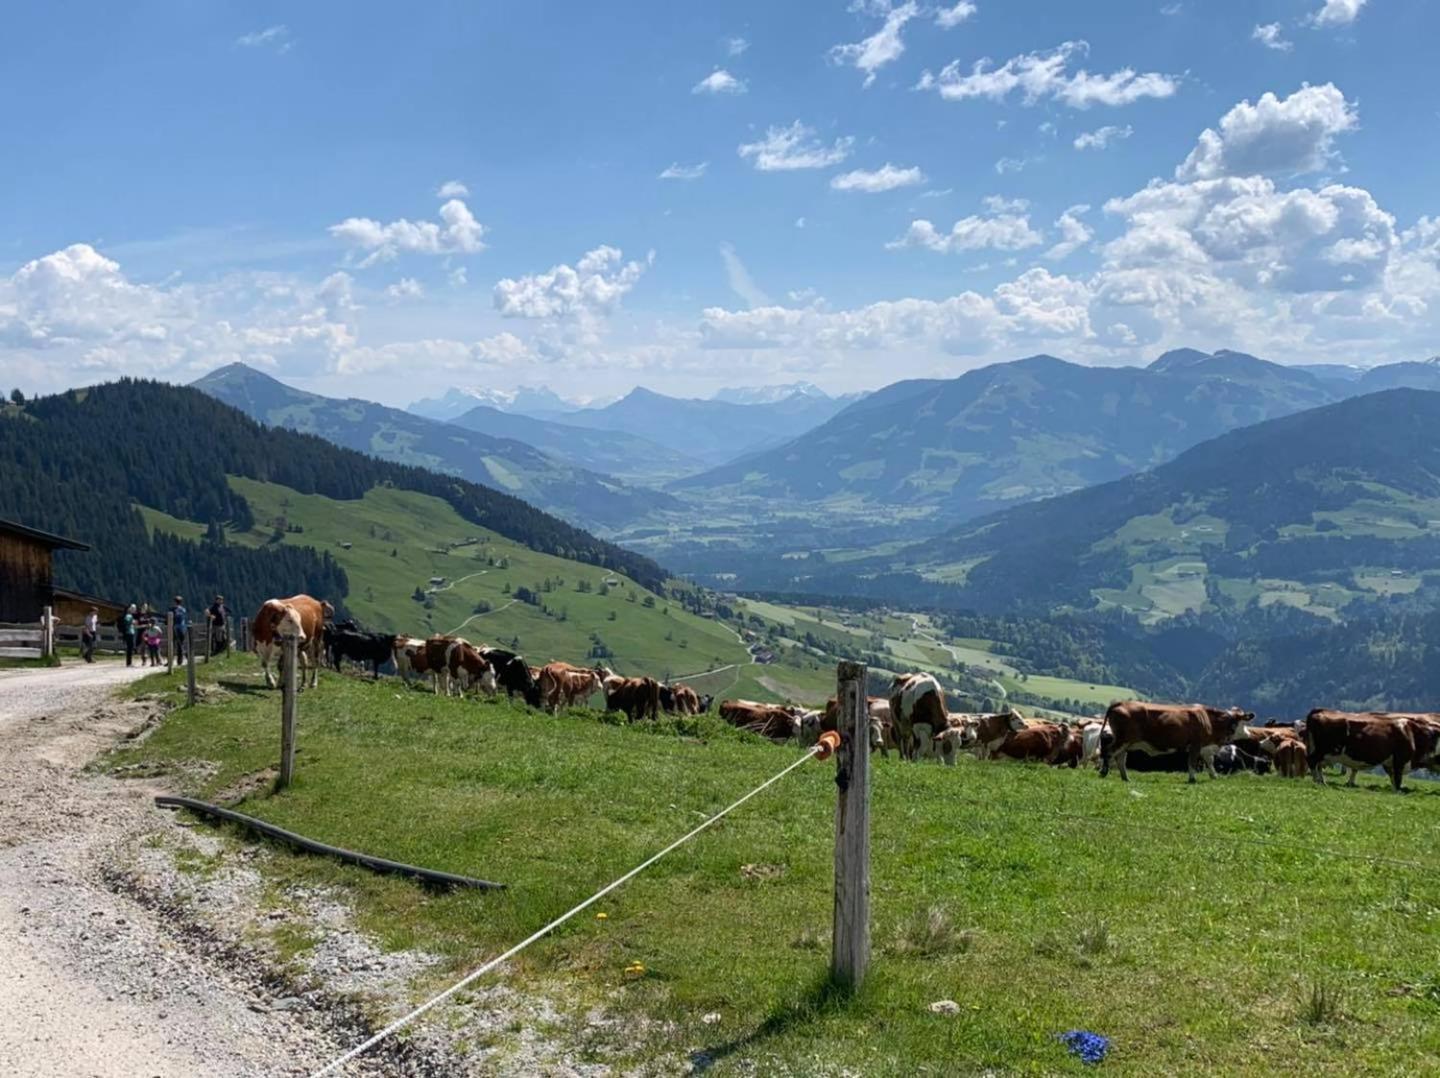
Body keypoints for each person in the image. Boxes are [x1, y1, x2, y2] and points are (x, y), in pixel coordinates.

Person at [170, 596, 188, 663]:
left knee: (172, 643)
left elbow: (170, 618)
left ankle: (170, 660)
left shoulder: (172, 609)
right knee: (181, 643)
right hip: (183, 627)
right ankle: (180, 660)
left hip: (175, 627)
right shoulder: (183, 609)